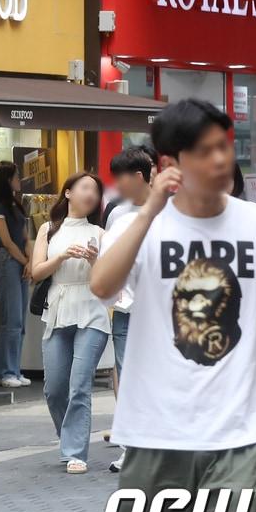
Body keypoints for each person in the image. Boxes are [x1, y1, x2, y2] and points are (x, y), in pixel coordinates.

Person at [92, 99, 256, 512]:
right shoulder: (140, 227)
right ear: (170, 163)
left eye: (224, 146)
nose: (220, 159)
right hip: (154, 433)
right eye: (205, 151)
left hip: (237, 433)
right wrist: (150, 210)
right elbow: (102, 286)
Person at [31, 171, 107, 474]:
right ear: (68, 193)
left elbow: (108, 279)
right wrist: (61, 257)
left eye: (95, 191)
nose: (91, 194)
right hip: (58, 309)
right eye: (85, 188)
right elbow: (36, 272)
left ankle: (75, 452)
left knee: (79, 386)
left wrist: (93, 260)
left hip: (92, 310)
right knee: (55, 388)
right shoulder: (48, 229)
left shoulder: (100, 233)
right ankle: (69, 437)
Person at [102, 147, 153, 473]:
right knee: (128, 376)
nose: (116, 185)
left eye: (120, 178)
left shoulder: (170, 210)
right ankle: (132, 448)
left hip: (158, 312)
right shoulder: (117, 214)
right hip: (124, 311)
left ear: (138, 177)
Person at [0, 162, 31, 389]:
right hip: (8, 261)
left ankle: (8, 370)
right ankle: (7, 372)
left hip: (20, 260)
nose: (19, 180)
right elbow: (6, 241)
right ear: (6, 180)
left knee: (18, 321)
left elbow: (25, 237)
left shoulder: (15, 205)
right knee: (11, 320)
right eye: (16, 176)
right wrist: (26, 262)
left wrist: (29, 260)